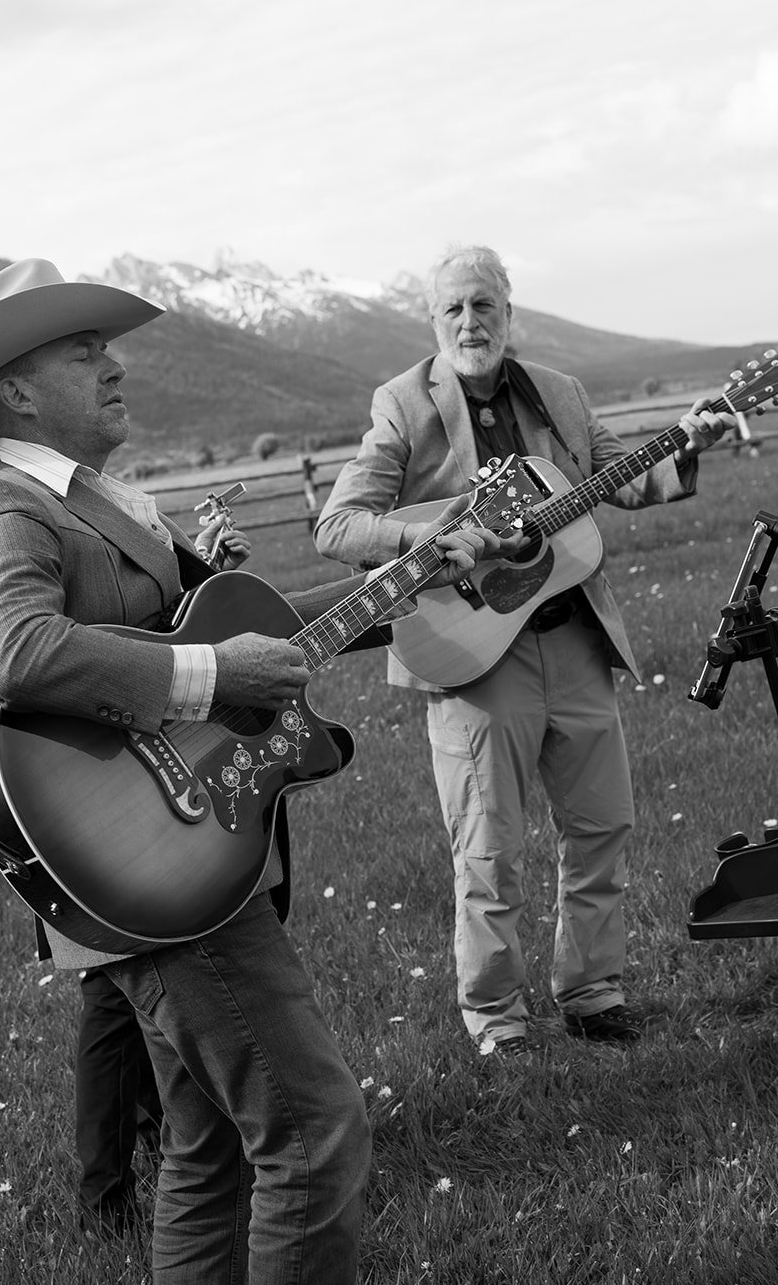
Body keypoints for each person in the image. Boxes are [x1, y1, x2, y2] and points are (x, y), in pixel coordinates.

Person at [0, 257, 495, 1285]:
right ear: (15, 391)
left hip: (195, 850)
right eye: (82, 352)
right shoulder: (4, 505)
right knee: (316, 1130)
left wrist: (415, 571)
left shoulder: (100, 499)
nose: (112, 365)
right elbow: (15, 649)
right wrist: (209, 671)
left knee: (209, 1152)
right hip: (157, 876)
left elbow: (234, 641)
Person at [314, 244, 735, 1057]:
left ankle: (592, 991)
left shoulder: (560, 393)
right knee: (488, 850)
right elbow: (338, 527)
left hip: (570, 636)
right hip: (471, 653)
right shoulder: (403, 405)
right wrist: (437, 534)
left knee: (602, 825)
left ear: (509, 311)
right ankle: (497, 1019)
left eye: (484, 306)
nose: (470, 323)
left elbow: (625, 479)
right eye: (453, 309)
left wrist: (687, 442)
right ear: (433, 320)